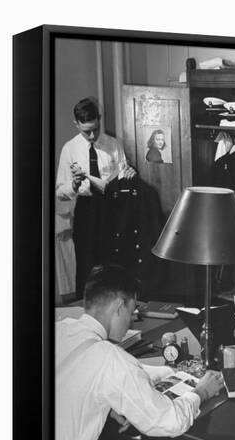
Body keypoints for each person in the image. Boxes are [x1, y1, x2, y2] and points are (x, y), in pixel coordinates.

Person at [55, 264, 223, 440]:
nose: (131, 320)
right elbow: (169, 421)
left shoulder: (60, 330)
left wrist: (166, 371)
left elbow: (76, 377)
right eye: (132, 311)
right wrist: (201, 392)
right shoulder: (110, 359)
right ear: (118, 307)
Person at [55, 96, 136, 298]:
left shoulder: (113, 145)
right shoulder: (70, 148)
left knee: (112, 261)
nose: (92, 136)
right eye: (86, 131)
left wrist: (128, 176)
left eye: (95, 129)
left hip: (112, 208)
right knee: (87, 262)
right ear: (76, 124)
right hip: (86, 208)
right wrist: (73, 185)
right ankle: (86, 309)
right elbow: (60, 192)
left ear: (100, 120)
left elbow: (123, 174)